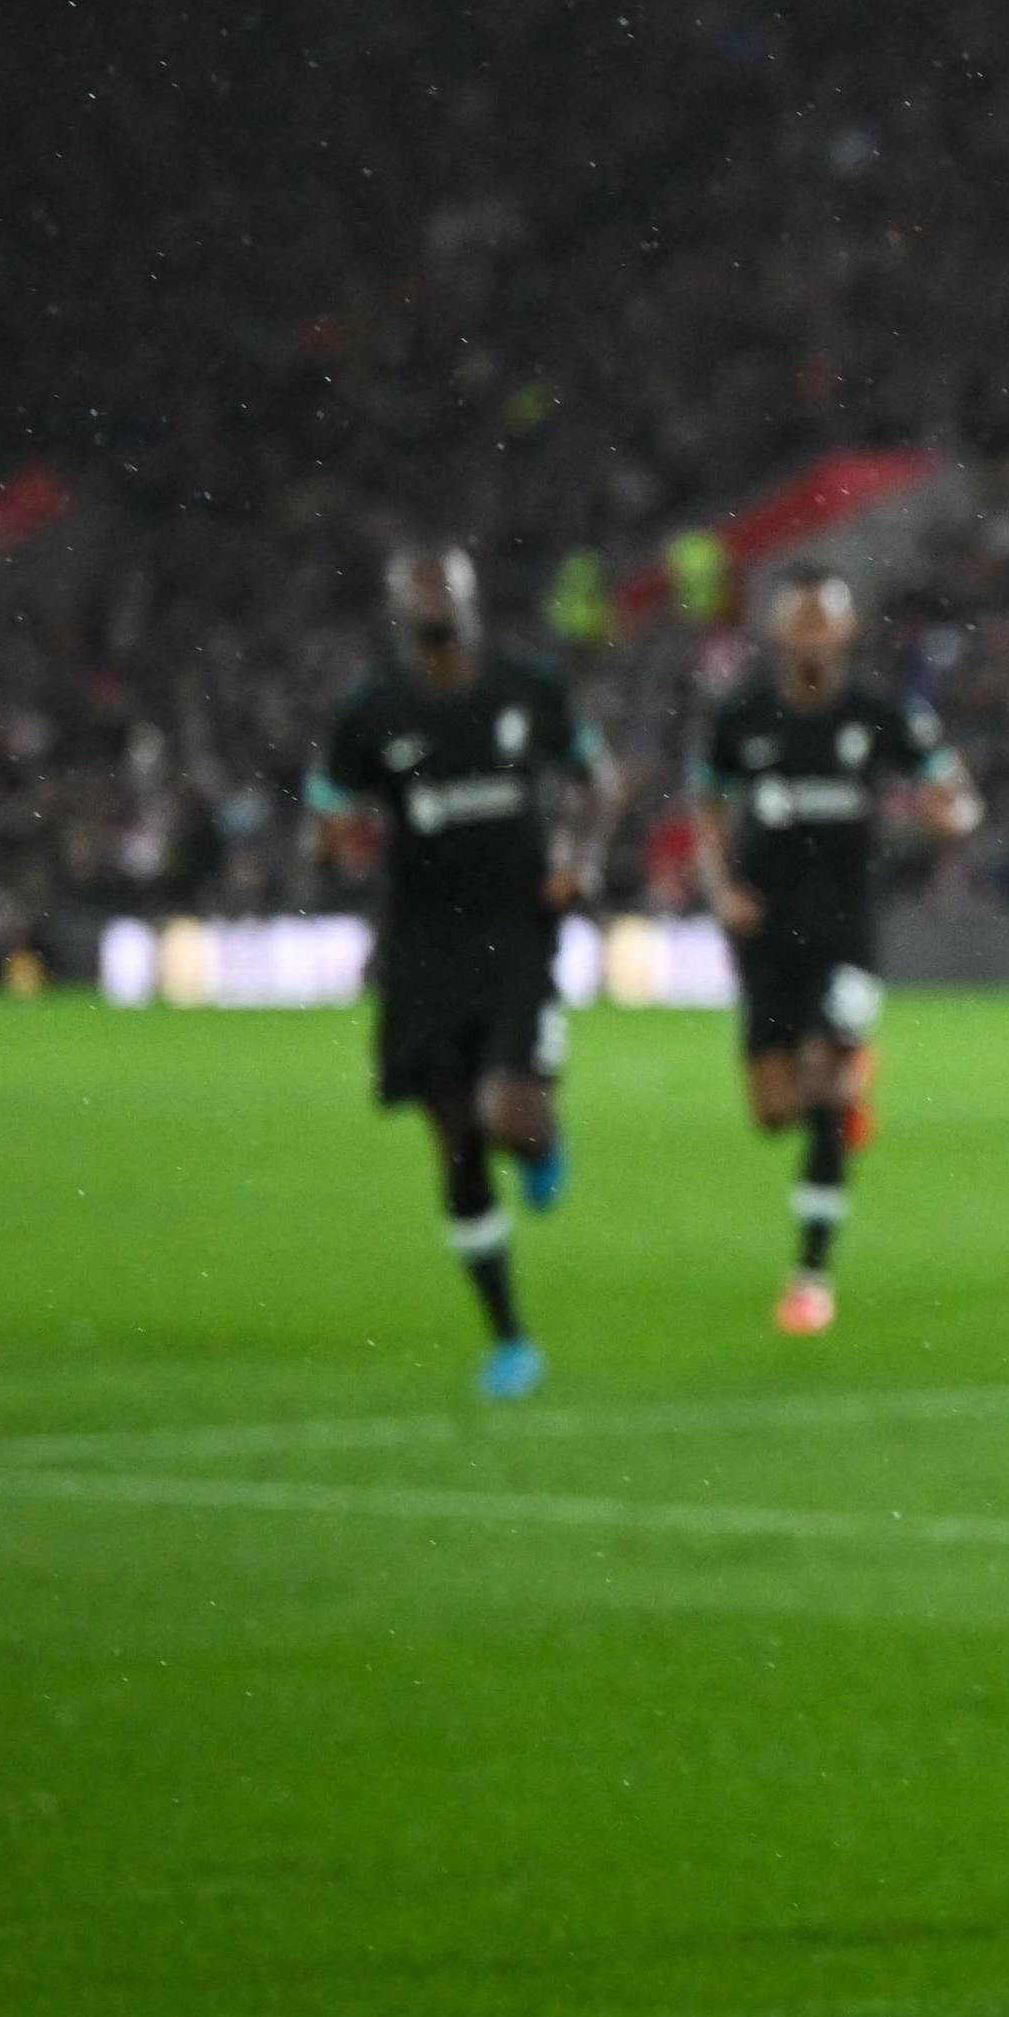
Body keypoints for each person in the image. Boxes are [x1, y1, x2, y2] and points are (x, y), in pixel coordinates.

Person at [308, 548, 616, 1401]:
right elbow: (328, 815)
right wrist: (327, 844)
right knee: (454, 1144)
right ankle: (509, 1337)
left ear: (471, 595)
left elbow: (599, 782)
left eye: (444, 583)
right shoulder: (370, 711)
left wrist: (578, 859)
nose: (432, 598)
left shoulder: (528, 685)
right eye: (417, 586)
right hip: (421, 949)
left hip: (518, 935)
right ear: (397, 604)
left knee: (507, 1115)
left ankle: (542, 1143)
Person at [693, 575, 979, 1335]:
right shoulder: (742, 717)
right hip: (765, 929)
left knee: (822, 1089)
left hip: (846, 930)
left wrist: (945, 815)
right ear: (780, 633)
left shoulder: (881, 715)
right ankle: (850, 1080)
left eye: (827, 623)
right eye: (802, 623)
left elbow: (952, 791)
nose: (814, 636)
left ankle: (810, 1278)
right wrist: (720, 890)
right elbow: (709, 812)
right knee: (772, 1111)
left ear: (847, 634)